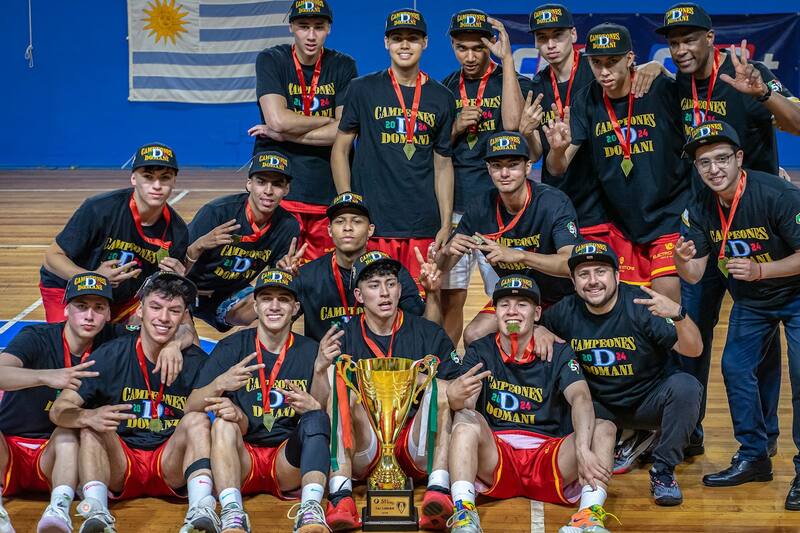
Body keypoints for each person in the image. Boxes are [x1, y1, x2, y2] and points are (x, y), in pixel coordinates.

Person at [657, 1, 800, 457]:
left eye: (689, 39)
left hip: (759, 225)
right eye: (673, 43)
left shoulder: (749, 74)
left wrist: (763, 94)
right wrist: (648, 67)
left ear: (710, 38)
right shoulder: (676, 84)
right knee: (691, 331)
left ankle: (764, 439)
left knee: (760, 338)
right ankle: (689, 430)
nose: (681, 49)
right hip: (706, 222)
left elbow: (797, 123)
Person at [674, 121, 800, 509]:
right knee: (735, 369)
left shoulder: (778, 194)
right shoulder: (699, 207)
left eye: (722, 159)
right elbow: (695, 274)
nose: (714, 169)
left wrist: (762, 270)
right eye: (704, 162)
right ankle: (754, 456)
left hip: (796, 296)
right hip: (753, 301)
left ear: (739, 158)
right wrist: (681, 262)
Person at [444, 274, 618, 533]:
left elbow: (580, 397)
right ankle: (464, 512)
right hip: (497, 455)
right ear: (495, 312)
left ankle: (588, 517)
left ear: (537, 313)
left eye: (522, 304)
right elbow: (466, 405)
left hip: (550, 455)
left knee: (605, 428)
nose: (512, 311)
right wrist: (456, 396)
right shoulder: (480, 350)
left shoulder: (559, 350)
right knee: (464, 419)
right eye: (504, 305)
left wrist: (582, 448)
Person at [49, 273, 217, 533]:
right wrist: (86, 416)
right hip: (121, 460)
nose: (164, 318)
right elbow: (60, 409)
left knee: (197, 420)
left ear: (184, 317)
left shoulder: (195, 360)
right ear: (140, 310)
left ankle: (201, 509)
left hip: (169, 461)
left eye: (174, 311)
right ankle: (96, 512)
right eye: (156, 307)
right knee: (91, 422)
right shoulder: (111, 354)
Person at [539, 242, 703, 505]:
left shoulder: (641, 304)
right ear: (573, 281)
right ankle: (620, 441)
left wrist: (679, 314)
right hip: (598, 406)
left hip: (646, 401)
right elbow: (532, 330)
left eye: (601, 272)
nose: (593, 281)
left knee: (687, 387)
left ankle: (663, 471)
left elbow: (694, 350)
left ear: (617, 276)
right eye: (584, 274)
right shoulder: (563, 312)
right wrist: (539, 330)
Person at [544, 23, 691, 302]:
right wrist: (557, 150)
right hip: (622, 223)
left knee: (666, 300)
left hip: (669, 216)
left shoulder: (659, 89)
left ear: (630, 58)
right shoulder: (587, 99)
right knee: (625, 305)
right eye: (596, 63)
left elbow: (693, 96)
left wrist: (662, 69)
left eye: (612, 61)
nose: (604, 71)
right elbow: (557, 167)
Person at [186, 269, 332, 533]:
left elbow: (320, 415)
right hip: (242, 458)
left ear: (295, 308)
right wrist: (221, 384)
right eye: (266, 299)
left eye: (283, 299)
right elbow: (191, 406)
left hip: (287, 460)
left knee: (317, 418)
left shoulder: (311, 350)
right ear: (255, 306)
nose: (274, 306)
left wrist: (320, 374)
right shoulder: (231, 347)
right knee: (222, 424)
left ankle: (310, 510)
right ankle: (232, 512)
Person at [322, 251, 458, 531]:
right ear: (359, 296)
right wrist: (318, 367)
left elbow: (455, 389)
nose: (384, 293)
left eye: (391, 283)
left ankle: (438, 490)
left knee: (440, 389)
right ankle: (341, 496)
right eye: (374, 286)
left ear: (399, 289)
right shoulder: (341, 337)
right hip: (366, 446)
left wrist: (416, 379)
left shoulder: (428, 333)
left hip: (414, 445)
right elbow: (321, 398)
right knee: (340, 391)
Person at [331, 8, 456, 285]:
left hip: (422, 224)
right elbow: (340, 150)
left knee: (420, 300)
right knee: (374, 297)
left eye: (413, 38)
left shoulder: (442, 97)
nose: (405, 45)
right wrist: (348, 206)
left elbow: (443, 163)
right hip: (374, 223)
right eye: (397, 38)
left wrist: (446, 222)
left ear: (425, 43)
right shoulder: (362, 89)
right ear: (386, 42)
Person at [526, 3, 664, 242]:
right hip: (560, 196)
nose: (550, 44)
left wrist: (657, 65)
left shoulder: (597, 70)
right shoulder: (537, 86)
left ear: (573, 34)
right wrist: (527, 133)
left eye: (557, 35)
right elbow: (538, 155)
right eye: (542, 38)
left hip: (604, 203)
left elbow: (631, 73)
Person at [439, 9, 530, 343]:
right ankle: (448, 367)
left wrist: (506, 60)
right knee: (451, 299)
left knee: (508, 297)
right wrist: (455, 127)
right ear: (452, 46)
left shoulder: (512, 81)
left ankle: (510, 364)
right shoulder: (445, 88)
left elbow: (513, 126)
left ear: (489, 44)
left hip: (499, 212)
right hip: (457, 209)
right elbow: (438, 148)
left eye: (478, 47)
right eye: (462, 48)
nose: (470, 56)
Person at [439, 131, 579, 346]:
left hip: (558, 300)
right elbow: (443, 266)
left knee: (560, 347)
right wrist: (446, 253)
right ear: (489, 169)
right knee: (475, 335)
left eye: (513, 165)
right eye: (497, 166)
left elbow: (570, 263)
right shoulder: (480, 207)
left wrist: (520, 256)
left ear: (528, 167)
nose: (504, 173)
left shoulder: (553, 203)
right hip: (516, 301)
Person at [250, 0, 358, 261]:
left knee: (324, 272)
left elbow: (344, 130)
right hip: (279, 186)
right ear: (291, 27)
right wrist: (327, 119)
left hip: (326, 186)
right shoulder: (271, 59)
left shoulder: (343, 65)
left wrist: (285, 134)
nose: (311, 35)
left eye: (318, 27)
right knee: (279, 273)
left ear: (329, 28)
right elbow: (277, 120)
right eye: (303, 26)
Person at [40, 143, 189, 323]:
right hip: (68, 288)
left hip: (123, 298)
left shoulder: (178, 231)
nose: (156, 185)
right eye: (148, 177)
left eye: (165, 178)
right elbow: (52, 257)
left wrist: (174, 279)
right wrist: (93, 279)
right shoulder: (99, 209)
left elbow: (160, 289)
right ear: (133, 178)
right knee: (77, 338)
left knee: (165, 326)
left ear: (174, 181)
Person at [294, 192, 434, 342]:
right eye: (340, 221)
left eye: (356, 221)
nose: (348, 227)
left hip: (380, 357)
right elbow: (279, 322)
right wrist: (284, 281)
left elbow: (426, 331)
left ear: (370, 230)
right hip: (325, 356)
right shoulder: (306, 275)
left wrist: (433, 293)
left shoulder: (393, 272)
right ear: (329, 230)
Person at [186, 150, 300, 332]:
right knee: (185, 344)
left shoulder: (288, 226)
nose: (268, 191)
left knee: (276, 309)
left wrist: (284, 272)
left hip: (231, 296)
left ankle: (243, 345)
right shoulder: (217, 212)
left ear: (287, 189)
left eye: (277, 184)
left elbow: (275, 285)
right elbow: (174, 266)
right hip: (187, 291)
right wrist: (198, 246)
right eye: (261, 182)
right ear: (249, 184)